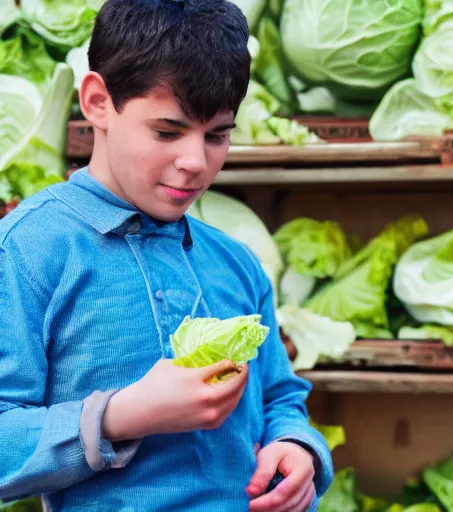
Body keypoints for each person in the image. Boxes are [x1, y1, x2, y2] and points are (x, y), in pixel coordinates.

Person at [0, 0, 333, 510]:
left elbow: (279, 397)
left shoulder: (237, 264)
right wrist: (122, 415)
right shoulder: (28, 249)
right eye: (167, 132)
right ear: (96, 101)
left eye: (218, 135)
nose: (195, 162)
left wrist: (297, 447)